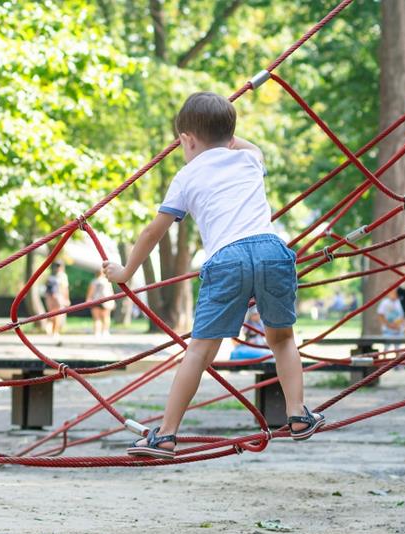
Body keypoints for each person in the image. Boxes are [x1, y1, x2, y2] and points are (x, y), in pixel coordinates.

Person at [103, 91, 324, 458]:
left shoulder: (186, 176)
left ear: (186, 140)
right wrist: (228, 133)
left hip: (227, 260)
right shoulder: (249, 160)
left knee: (200, 351)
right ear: (231, 135)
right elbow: (246, 144)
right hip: (272, 250)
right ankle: (298, 413)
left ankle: (167, 433)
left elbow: (151, 233)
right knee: (282, 339)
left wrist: (125, 272)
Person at [43, 261, 69, 341]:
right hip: (58, 296)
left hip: (49, 296)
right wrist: (66, 299)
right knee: (57, 314)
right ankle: (55, 332)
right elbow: (65, 288)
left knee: (51, 313)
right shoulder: (63, 276)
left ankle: (50, 329)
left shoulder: (50, 275)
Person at [377, 288, 405, 356]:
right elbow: (380, 315)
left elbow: (404, 316)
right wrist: (388, 325)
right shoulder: (384, 302)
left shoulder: (400, 302)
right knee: (386, 348)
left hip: (398, 330)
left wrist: (398, 324)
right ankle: (384, 363)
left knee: (398, 349)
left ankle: (398, 364)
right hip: (387, 330)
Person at [86, 269, 114, 337]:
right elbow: (110, 292)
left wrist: (88, 300)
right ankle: (105, 332)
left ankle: (97, 333)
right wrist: (112, 301)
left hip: (95, 301)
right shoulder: (107, 281)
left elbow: (90, 292)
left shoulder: (94, 281)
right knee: (106, 317)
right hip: (105, 300)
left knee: (97, 318)